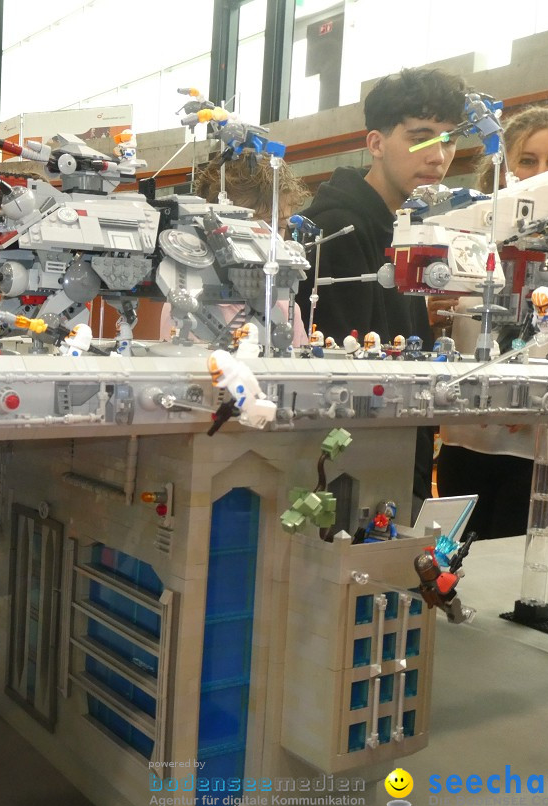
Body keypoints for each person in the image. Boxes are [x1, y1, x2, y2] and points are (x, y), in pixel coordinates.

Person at [437, 105, 548, 538]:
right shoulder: (467, 240)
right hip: (471, 448)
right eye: (527, 160)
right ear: (501, 171)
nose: (541, 173)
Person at [294, 67, 467, 516]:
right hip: (353, 470)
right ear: (376, 143)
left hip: (399, 455)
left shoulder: (404, 228)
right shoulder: (338, 228)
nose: (438, 156)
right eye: (420, 138)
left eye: (449, 140)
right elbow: (343, 372)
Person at [159, 152, 311, 345]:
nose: (272, 242)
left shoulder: (285, 307)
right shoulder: (183, 305)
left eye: (279, 227)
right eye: (260, 227)